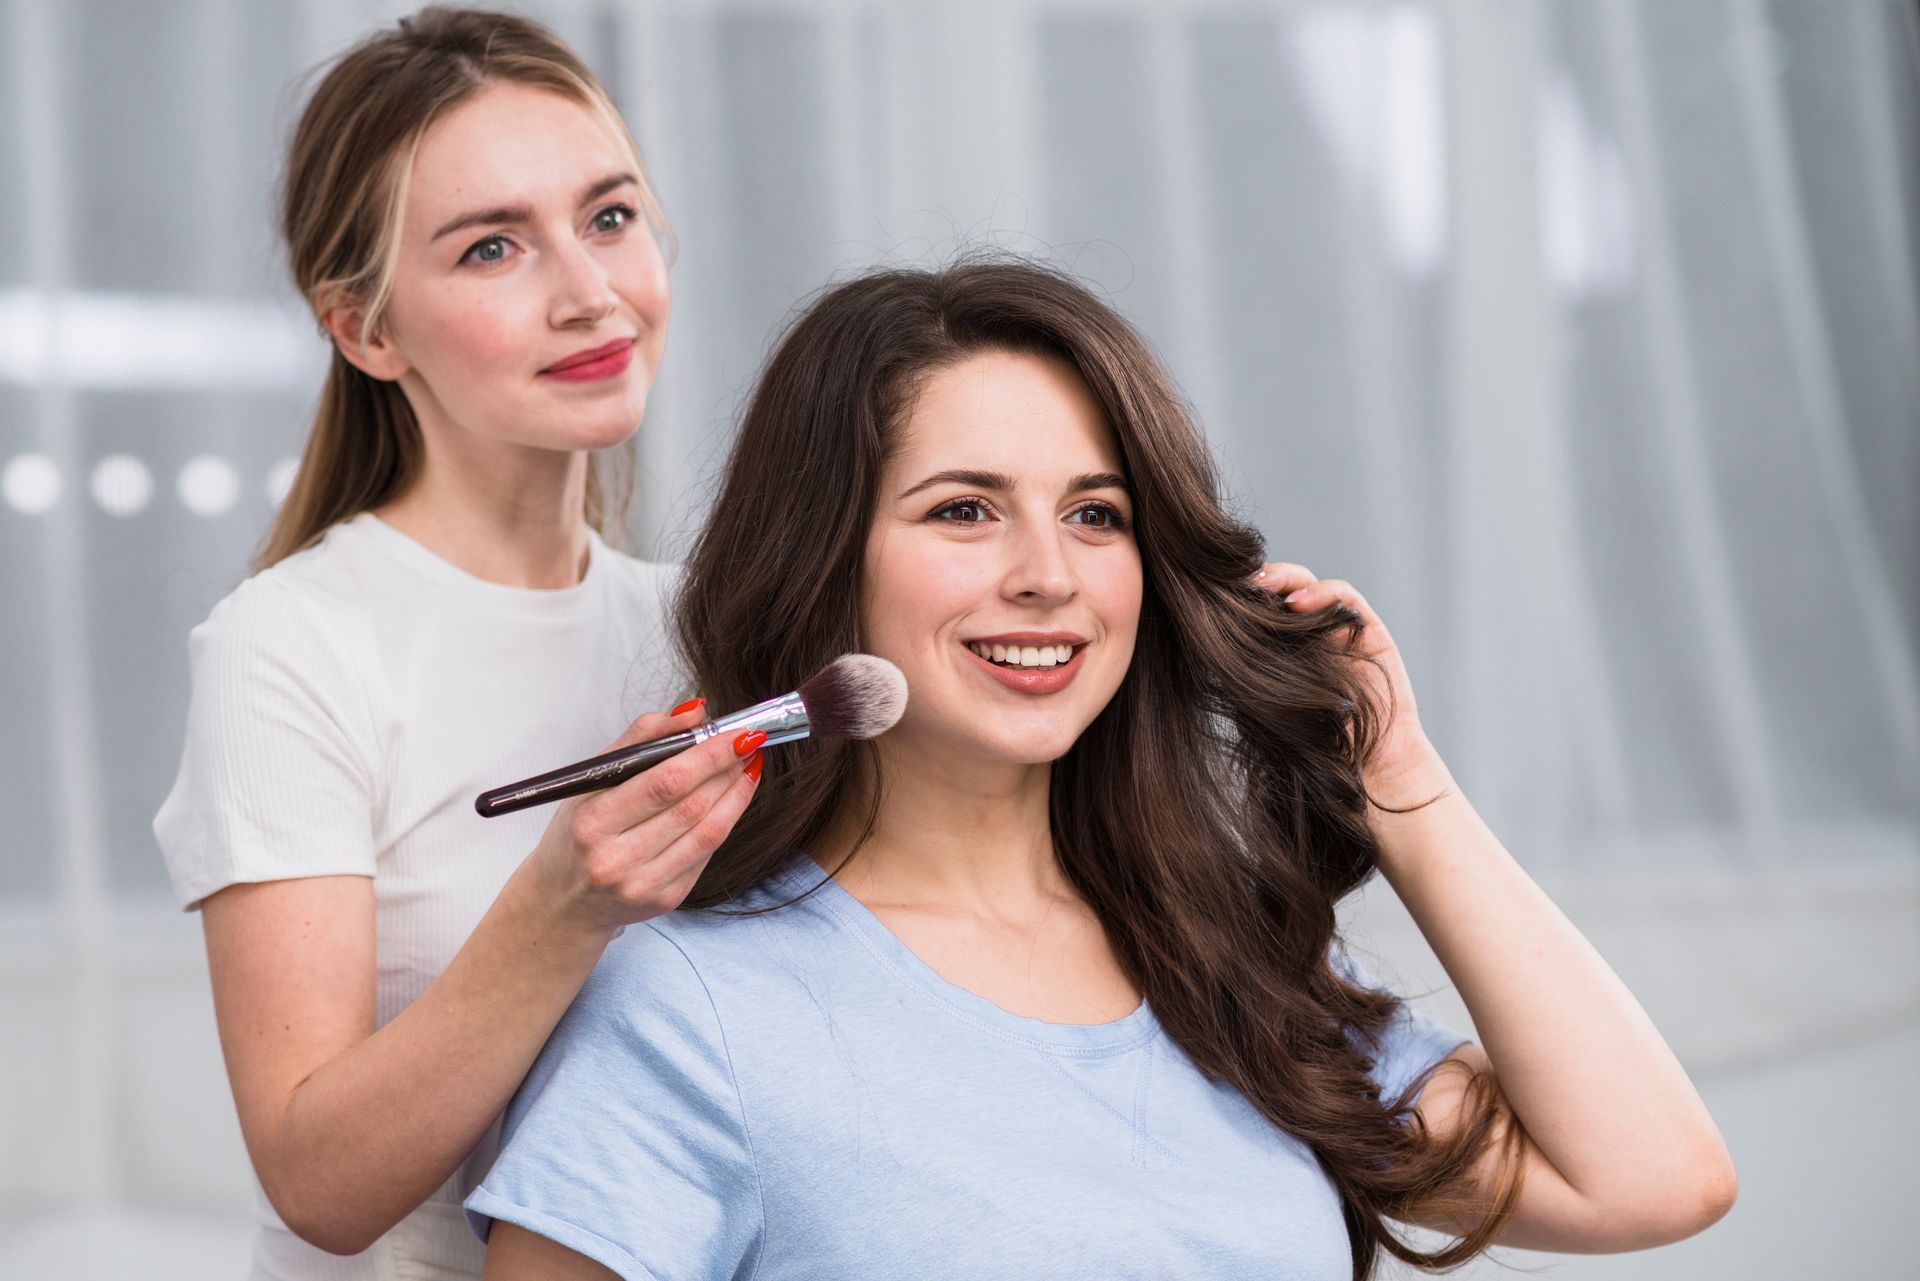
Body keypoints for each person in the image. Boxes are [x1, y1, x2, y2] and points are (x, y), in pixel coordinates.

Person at [464, 255, 1738, 1280]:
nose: (1050, 575)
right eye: (964, 509)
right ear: (821, 562)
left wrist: (1403, 785)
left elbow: (1654, 1178)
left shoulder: (1238, 973)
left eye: (1097, 514)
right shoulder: (690, 1010)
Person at [152, 8, 764, 1276]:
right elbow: (319, 1183)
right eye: (493, 248)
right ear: (365, 329)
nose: (591, 291)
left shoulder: (701, 628)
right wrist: (562, 906)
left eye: (609, 216)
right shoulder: (292, 649)